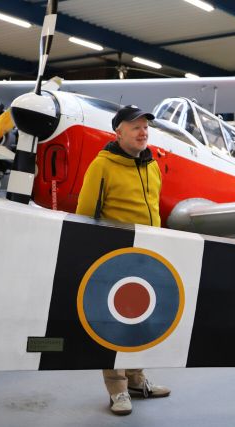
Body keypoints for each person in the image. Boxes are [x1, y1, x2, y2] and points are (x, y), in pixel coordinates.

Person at [76, 105, 170, 416]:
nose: (143, 132)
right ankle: (117, 389)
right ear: (119, 133)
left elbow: (154, 211)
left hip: (147, 257)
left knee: (141, 321)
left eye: (145, 127)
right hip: (114, 258)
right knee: (113, 324)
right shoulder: (101, 166)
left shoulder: (152, 165)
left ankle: (136, 379)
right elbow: (85, 214)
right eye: (136, 127)